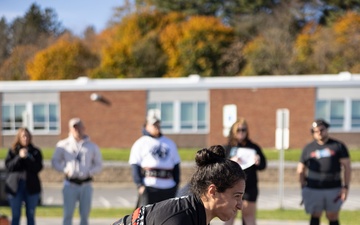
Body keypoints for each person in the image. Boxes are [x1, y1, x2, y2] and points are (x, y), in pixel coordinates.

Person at [112, 145, 247, 225]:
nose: (240, 205)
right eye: (236, 196)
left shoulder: (197, 213)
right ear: (212, 191)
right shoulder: (180, 219)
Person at [297, 119, 351, 225]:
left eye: (322, 130)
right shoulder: (308, 148)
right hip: (314, 187)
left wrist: (346, 187)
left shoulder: (338, 146)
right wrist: (303, 186)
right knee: (315, 214)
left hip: (333, 187)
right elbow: (300, 168)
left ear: (326, 130)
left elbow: (347, 167)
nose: (319, 133)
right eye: (316, 131)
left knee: (332, 215)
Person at [51, 118, 103, 225]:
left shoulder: (91, 146)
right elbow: (55, 161)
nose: (77, 130)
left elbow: (99, 165)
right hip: (70, 184)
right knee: (68, 214)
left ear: (84, 128)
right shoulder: (63, 145)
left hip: (86, 184)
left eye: (79, 127)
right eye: (74, 128)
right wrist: (65, 170)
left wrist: (89, 172)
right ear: (70, 129)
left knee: (84, 215)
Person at [129, 113, 181, 207]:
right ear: (146, 126)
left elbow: (176, 164)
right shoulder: (141, 143)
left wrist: (175, 184)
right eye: (153, 124)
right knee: (148, 218)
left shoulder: (169, 143)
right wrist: (140, 185)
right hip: (150, 187)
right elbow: (135, 165)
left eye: (158, 124)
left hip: (168, 187)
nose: (156, 127)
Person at [224, 118, 267, 225]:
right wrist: (230, 161)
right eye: (238, 130)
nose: (241, 132)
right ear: (233, 131)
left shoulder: (253, 147)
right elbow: (220, 168)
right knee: (229, 217)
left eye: (243, 130)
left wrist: (258, 161)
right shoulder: (228, 148)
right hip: (231, 187)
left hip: (249, 187)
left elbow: (263, 166)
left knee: (249, 217)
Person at [5, 128, 43, 225]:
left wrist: (27, 158)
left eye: (27, 136)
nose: (25, 138)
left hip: (31, 187)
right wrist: (19, 157)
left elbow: (38, 167)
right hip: (15, 187)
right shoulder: (12, 151)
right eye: (23, 136)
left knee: (30, 215)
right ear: (19, 138)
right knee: (16, 215)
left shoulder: (35, 152)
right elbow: (9, 167)